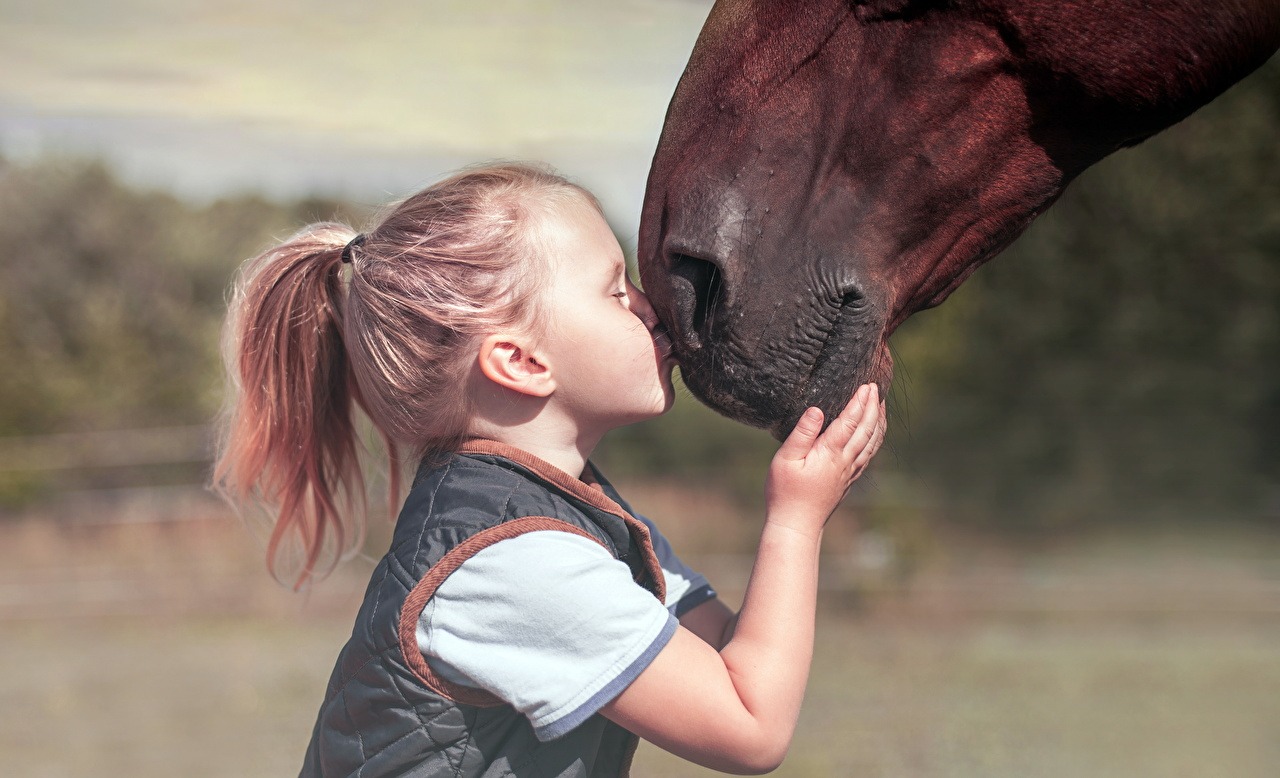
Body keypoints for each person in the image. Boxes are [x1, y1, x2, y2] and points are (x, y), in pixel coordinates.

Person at [214, 162, 886, 777]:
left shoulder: (577, 520)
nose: (650, 305)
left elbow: (735, 660)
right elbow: (749, 725)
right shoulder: (515, 559)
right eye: (613, 291)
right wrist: (795, 518)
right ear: (522, 362)